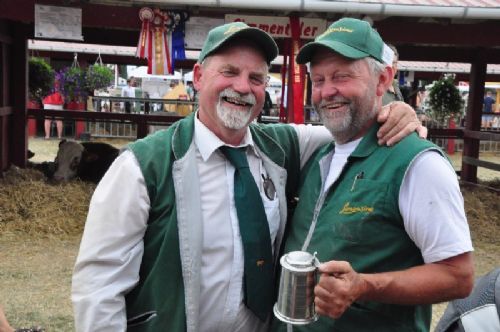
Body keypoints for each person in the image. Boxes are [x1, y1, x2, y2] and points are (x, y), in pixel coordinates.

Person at [72, 22, 424, 332]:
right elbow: (99, 284)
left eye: (256, 78)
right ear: (198, 77)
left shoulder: (283, 146)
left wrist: (395, 108)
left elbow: (352, 126)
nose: (243, 87)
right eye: (229, 72)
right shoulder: (144, 165)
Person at [271, 18, 474, 332]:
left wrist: (363, 286)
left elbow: (459, 277)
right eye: (319, 79)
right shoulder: (318, 153)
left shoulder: (419, 164)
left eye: (342, 76)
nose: (327, 91)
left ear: (383, 80)